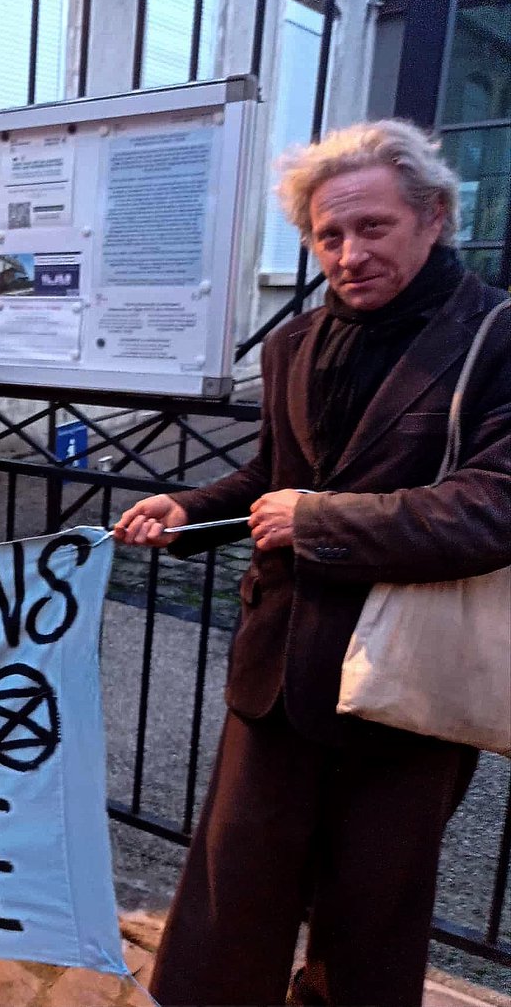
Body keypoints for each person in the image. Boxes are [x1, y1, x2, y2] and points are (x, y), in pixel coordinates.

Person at [113, 120, 511, 1006]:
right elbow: (274, 478)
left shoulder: (495, 337)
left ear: (434, 217)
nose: (349, 253)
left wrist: (324, 522)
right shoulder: (296, 343)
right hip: (279, 667)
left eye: (373, 227)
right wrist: (188, 509)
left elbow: (496, 503)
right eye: (329, 235)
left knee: (370, 919)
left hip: (407, 686)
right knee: (232, 899)